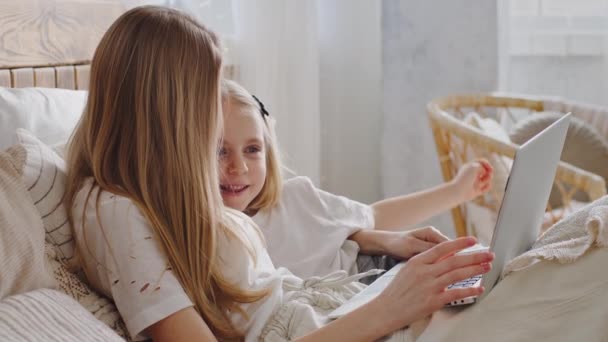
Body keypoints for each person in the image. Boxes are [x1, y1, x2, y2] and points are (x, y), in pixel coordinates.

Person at [65, 6, 494, 342]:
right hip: (331, 318)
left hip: (329, 306)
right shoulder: (114, 210)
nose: (219, 116)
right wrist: (392, 307)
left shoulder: (164, 197)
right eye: (208, 99)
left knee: (500, 277)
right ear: (167, 113)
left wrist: (368, 242)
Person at [219, 79, 494, 281]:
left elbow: (373, 215)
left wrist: (457, 190)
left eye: (252, 149)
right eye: (220, 151)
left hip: (380, 275)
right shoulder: (211, 242)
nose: (238, 167)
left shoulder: (295, 197)